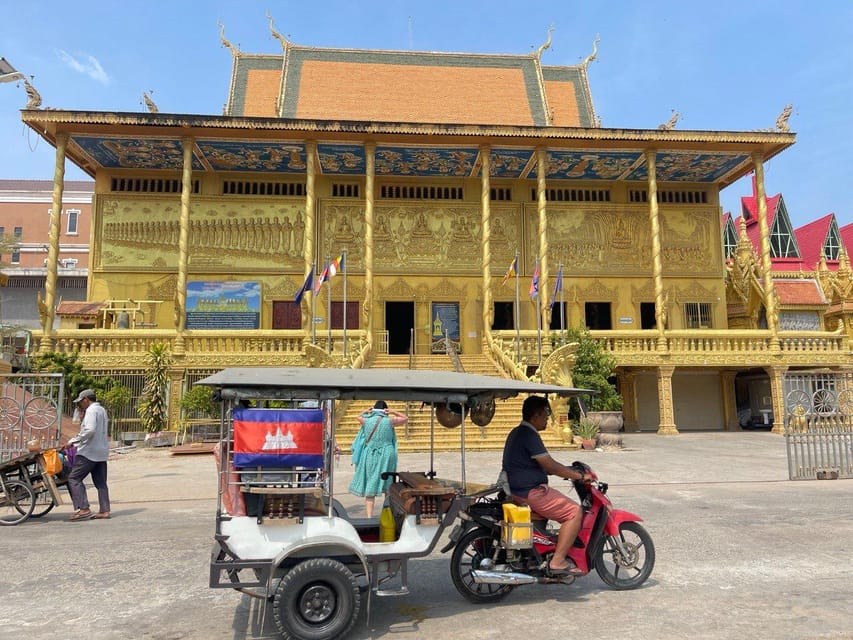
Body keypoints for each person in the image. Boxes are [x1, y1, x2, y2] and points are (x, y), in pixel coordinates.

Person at [502, 395, 592, 575]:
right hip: (530, 492)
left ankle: (545, 554)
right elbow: (549, 465)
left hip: (518, 489)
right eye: (545, 415)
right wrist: (577, 475)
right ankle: (557, 561)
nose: (547, 419)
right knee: (574, 512)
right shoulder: (528, 435)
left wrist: (566, 469)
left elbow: (545, 465)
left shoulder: (519, 432)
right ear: (535, 416)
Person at [348, 400, 407, 517]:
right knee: (388, 483)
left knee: (370, 483)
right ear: (385, 410)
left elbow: (357, 416)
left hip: (370, 453)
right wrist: (393, 411)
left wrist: (366, 411)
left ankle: (369, 516)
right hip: (387, 453)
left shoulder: (366, 421)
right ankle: (388, 513)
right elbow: (405, 418)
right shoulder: (389, 421)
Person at [65, 389, 111, 521]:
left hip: (89, 452)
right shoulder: (102, 410)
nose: (80, 405)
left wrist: (73, 441)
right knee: (101, 483)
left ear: (86, 399)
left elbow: (90, 430)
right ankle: (104, 510)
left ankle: (84, 509)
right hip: (101, 451)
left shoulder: (91, 411)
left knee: (74, 478)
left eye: (81, 402)